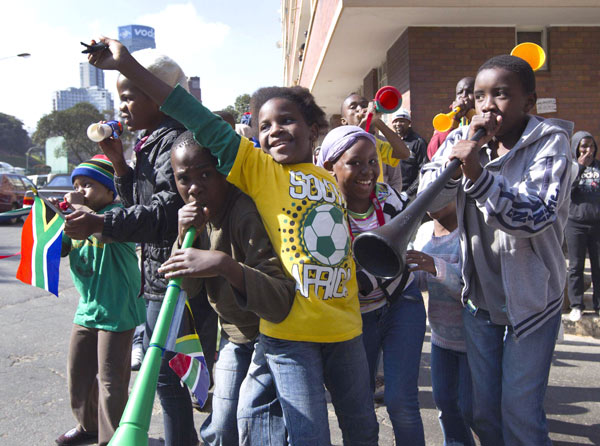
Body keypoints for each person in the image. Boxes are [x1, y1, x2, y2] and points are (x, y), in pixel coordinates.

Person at [88, 37, 379, 446]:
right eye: (265, 126)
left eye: (287, 120)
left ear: (314, 128)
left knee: (363, 427)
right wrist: (128, 67)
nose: (275, 129)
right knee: (309, 435)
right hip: (288, 334)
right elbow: (196, 116)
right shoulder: (261, 172)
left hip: (347, 328)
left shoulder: (331, 178)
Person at [420, 54, 573, 445]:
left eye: (501, 94)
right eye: (480, 96)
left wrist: (478, 176)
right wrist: (464, 157)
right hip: (481, 302)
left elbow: (534, 216)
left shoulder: (551, 144)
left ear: (529, 102)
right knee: (481, 412)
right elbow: (427, 197)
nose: (488, 105)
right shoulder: (464, 139)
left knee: (520, 414)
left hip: (533, 302)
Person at [64, 49, 197, 446]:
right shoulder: (150, 142)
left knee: (171, 378)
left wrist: (103, 223)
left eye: (131, 95)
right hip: (159, 275)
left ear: (163, 94)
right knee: (165, 378)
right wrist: (120, 165)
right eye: (120, 96)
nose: (122, 106)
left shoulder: (176, 140)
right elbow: (141, 204)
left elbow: (162, 213)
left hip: (177, 278)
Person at [158, 132, 294, 445]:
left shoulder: (244, 213)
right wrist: (183, 238)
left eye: (206, 174)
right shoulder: (197, 219)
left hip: (271, 336)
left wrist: (223, 264)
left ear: (224, 171)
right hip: (234, 335)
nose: (194, 188)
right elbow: (188, 290)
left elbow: (278, 300)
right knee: (220, 427)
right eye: (184, 179)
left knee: (255, 421)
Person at [317, 125, 426, 445]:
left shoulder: (387, 197)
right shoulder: (320, 212)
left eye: (372, 161)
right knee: (359, 407)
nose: (368, 171)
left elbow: (402, 249)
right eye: (354, 163)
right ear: (329, 166)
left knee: (401, 401)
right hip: (355, 319)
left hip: (401, 304)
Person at [56, 156, 146, 446]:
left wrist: (77, 207)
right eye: (77, 185)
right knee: (78, 374)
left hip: (118, 310)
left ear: (110, 191)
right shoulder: (79, 217)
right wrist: (50, 223)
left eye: (88, 185)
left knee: (111, 382)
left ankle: (113, 438)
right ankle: (88, 426)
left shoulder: (118, 215)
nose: (80, 191)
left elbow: (103, 232)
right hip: (88, 308)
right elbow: (60, 248)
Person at [407, 201, 474, 446]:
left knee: (470, 408)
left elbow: (472, 290)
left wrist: (436, 267)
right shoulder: (425, 232)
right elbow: (420, 282)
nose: (432, 197)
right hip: (440, 339)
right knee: (445, 403)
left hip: (471, 343)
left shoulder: (468, 233)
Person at [340, 92, 409, 192]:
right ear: (344, 121)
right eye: (353, 107)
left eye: (364, 106)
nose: (360, 109)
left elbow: (404, 153)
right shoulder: (338, 139)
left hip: (374, 202)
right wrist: (365, 121)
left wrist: (377, 121)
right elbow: (351, 146)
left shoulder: (374, 142)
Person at [566, 131, 600, 322]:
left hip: (597, 223)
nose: (588, 150)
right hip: (575, 223)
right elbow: (566, 191)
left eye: (592, 146)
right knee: (576, 266)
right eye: (584, 146)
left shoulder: (599, 167)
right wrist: (580, 167)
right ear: (576, 147)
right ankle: (576, 305)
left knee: (598, 266)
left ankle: (598, 304)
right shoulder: (569, 168)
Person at [427, 77, 475, 161]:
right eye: (460, 93)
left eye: (470, 92)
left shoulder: (485, 116)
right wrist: (455, 119)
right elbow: (433, 153)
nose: (463, 96)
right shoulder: (446, 120)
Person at [391, 109, 428, 201]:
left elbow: (424, 170)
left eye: (402, 121)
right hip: (392, 193)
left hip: (411, 196)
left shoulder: (418, 142)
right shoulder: (390, 141)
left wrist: (409, 193)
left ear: (409, 123)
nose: (398, 124)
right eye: (395, 121)